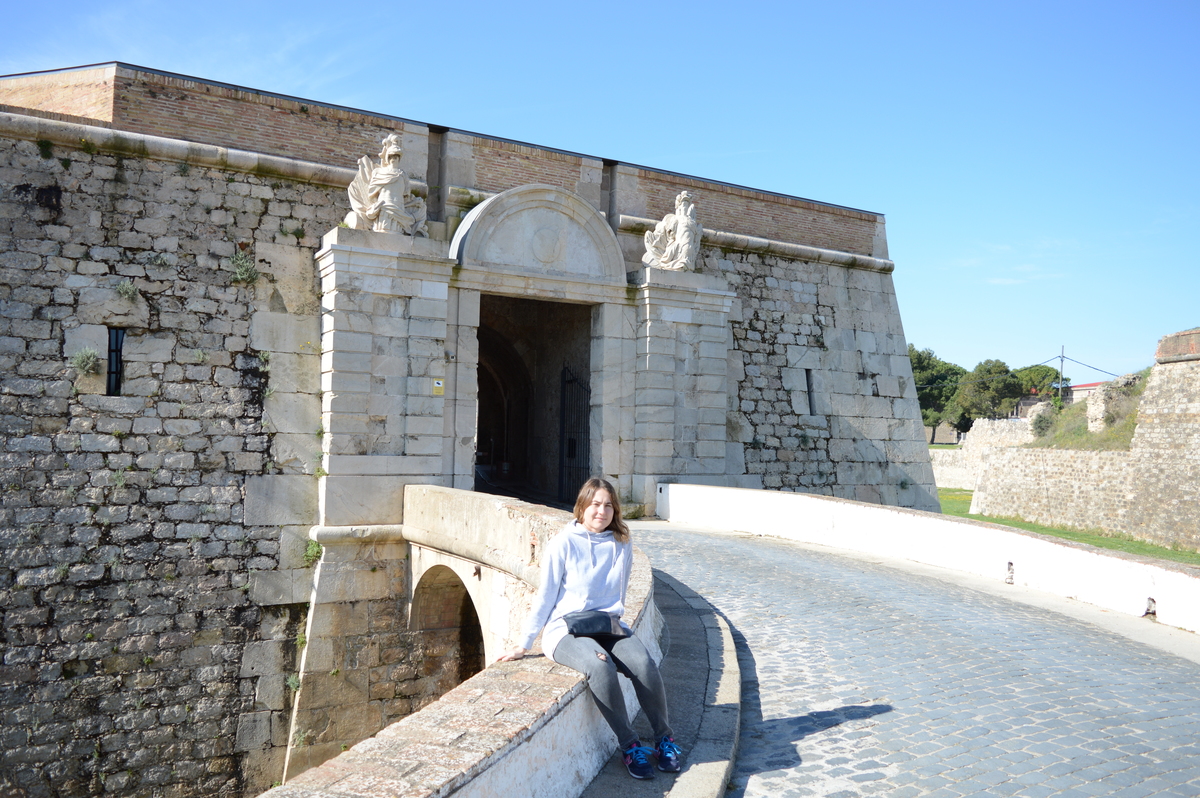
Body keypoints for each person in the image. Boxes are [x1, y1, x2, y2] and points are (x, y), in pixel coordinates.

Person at [498, 477, 682, 780]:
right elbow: (546, 596)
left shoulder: (622, 541)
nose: (602, 511)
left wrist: (618, 627)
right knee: (600, 666)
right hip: (566, 629)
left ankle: (664, 739)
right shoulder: (563, 542)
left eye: (608, 505)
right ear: (582, 506)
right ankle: (630, 745)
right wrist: (524, 643)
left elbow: (619, 594)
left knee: (644, 663)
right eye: (595, 504)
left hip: (607, 625)